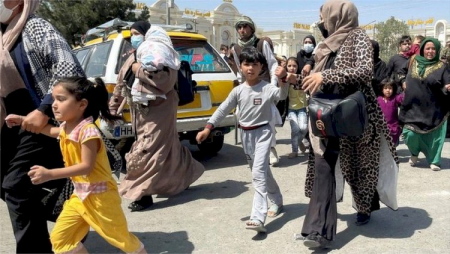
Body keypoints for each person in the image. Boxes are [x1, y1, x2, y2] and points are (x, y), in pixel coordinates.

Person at [276, 0, 399, 248]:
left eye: (323, 15)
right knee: (323, 169)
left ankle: (365, 206)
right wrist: (293, 78)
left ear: (337, 15)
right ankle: (316, 230)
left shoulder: (358, 38)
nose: (321, 20)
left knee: (359, 170)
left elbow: (365, 71)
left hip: (356, 117)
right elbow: (316, 82)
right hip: (325, 116)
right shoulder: (325, 45)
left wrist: (326, 75)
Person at [5, 77, 147, 254]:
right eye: (54, 99)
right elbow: (49, 130)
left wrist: (49, 174)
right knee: (60, 239)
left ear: (82, 105)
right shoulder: (66, 128)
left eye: (61, 99)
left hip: (100, 198)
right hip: (79, 197)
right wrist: (22, 119)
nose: (54, 105)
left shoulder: (88, 132)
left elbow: (86, 167)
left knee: (121, 238)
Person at [0, 0, 85, 252]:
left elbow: (69, 67)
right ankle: (69, 224)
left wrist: (44, 108)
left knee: (16, 186)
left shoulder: (34, 27)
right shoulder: (3, 36)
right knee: (16, 188)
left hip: (41, 125)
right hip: (10, 127)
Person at [109, 21, 205, 212]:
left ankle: (142, 194)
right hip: (140, 112)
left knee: (147, 148)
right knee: (168, 146)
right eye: (131, 34)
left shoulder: (160, 56)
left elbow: (164, 82)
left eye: (137, 33)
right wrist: (113, 105)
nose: (133, 37)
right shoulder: (133, 57)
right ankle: (185, 176)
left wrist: (138, 70)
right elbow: (121, 81)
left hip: (160, 110)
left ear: (146, 34)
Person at [197, 47, 287, 233]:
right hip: (246, 136)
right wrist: (208, 127)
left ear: (261, 67)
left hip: (263, 134)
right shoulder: (238, 91)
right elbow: (223, 109)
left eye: (255, 64)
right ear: (240, 67)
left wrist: (283, 80)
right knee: (262, 172)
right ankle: (277, 200)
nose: (250, 68)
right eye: (246, 64)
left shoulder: (268, 88)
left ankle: (257, 217)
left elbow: (282, 95)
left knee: (258, 174)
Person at [230, 16, 282, 166]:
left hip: (264, 85)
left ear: (251, 28)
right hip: (247, 88)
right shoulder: (236, 48)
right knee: (242, 115)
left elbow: (272, 64)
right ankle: (252, 151)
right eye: (239, 27)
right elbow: (240, 71)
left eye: (245, 26)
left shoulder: (262, 43)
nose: (242, 30)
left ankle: (271, 149)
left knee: (269, 118)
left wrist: (272, 86)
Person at [399, 38, 450, 171]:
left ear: (437, 50)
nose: (430, 51)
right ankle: (414, 153)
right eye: (428, 48)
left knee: (435, 137)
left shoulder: (442, 66)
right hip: (412, 107)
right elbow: (400, 72)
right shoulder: (413, 60)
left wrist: (447, 87)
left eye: (433, 49)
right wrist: (403, 81)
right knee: (409, 134)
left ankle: (434, 160)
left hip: (433, 109)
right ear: (422, 49)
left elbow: (446, 83)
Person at [284, 57, 308, 158]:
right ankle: (294, 151)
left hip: (302, 108)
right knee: (295, 130)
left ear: (298, 67)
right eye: (289, 66)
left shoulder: (301, 78)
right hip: (291, 110)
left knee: (303, 128)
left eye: (294, 66)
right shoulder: (285, 80)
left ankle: (299, 142)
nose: (292, 68)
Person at [377, 78, 404, 146]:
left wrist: (406, 88)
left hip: (393, 129)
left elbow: (403, 97)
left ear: (393, 89)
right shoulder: (378, 100)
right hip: (381, 129)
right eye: (385, 88)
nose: (388, 90)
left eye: (390, 88)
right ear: (382, 89)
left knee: (393, 147)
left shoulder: (395, 98)